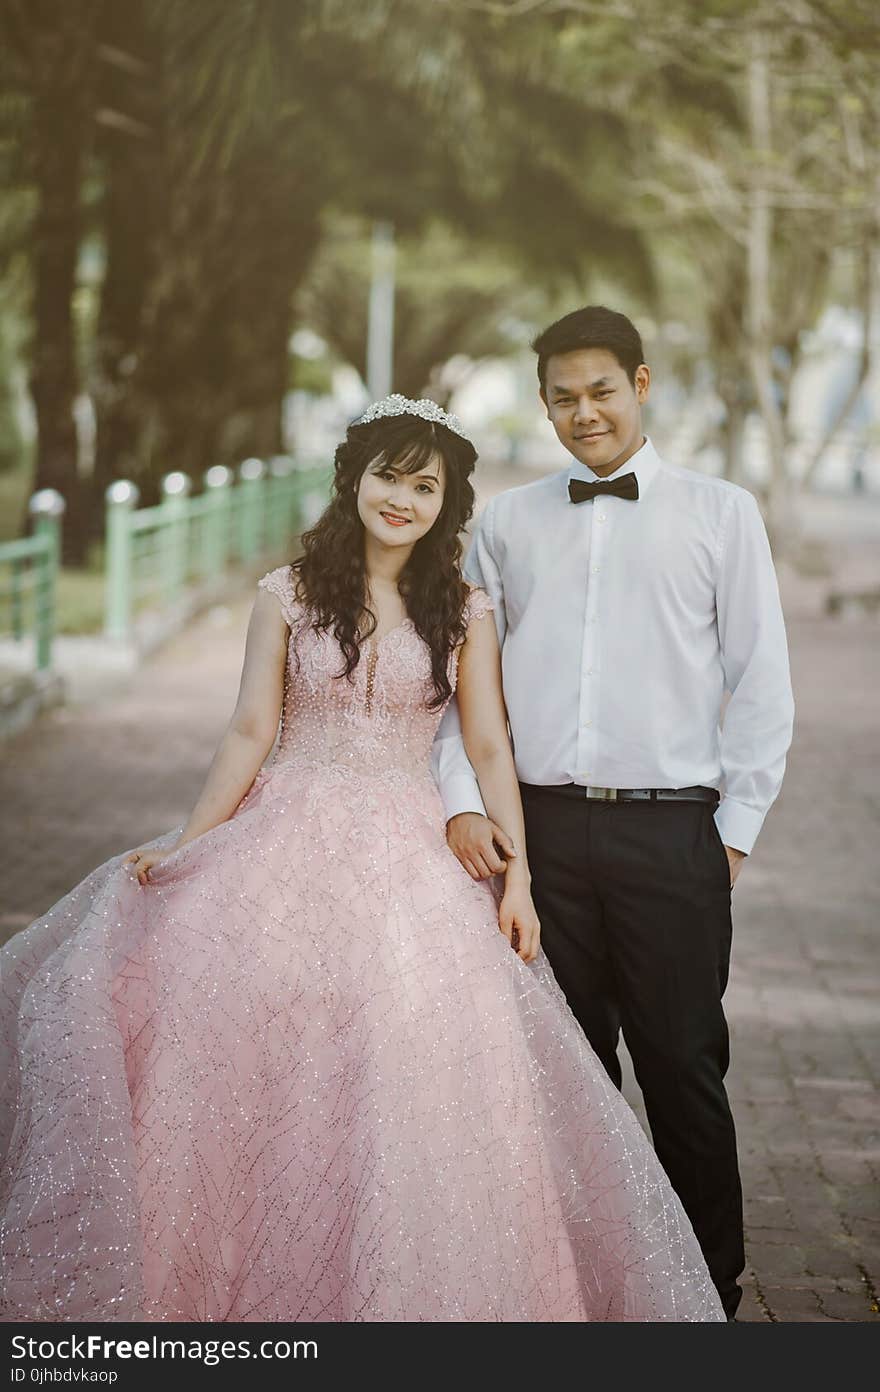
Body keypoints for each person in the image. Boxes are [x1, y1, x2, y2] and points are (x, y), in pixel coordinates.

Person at [0, 395, 723, 1324]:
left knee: (406, 1052)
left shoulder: (464, 609)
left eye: (426, 487)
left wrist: (521, 878)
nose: (403, 499)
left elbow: (491, 747)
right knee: (242, 1036)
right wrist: (192, 839)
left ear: (446, 505)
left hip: (408, 848)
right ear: (355, 479)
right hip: (282, 830)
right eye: (390, 475)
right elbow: (251, 728)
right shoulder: (289, 594)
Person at [431, 308, 796, 1321]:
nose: (581, 412)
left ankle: (705, 1298)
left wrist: (728, 838)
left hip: (671, 832)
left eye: (600, 390)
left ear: (641, 384)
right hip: (537, 837)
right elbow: (464, 694)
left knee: (683, 1070)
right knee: (565, 1078)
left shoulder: (722, 514)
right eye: (561, 397)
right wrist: (466, 804)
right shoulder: (503, 524)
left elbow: (762, 688)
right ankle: (584, 1294)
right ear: (542, 403)